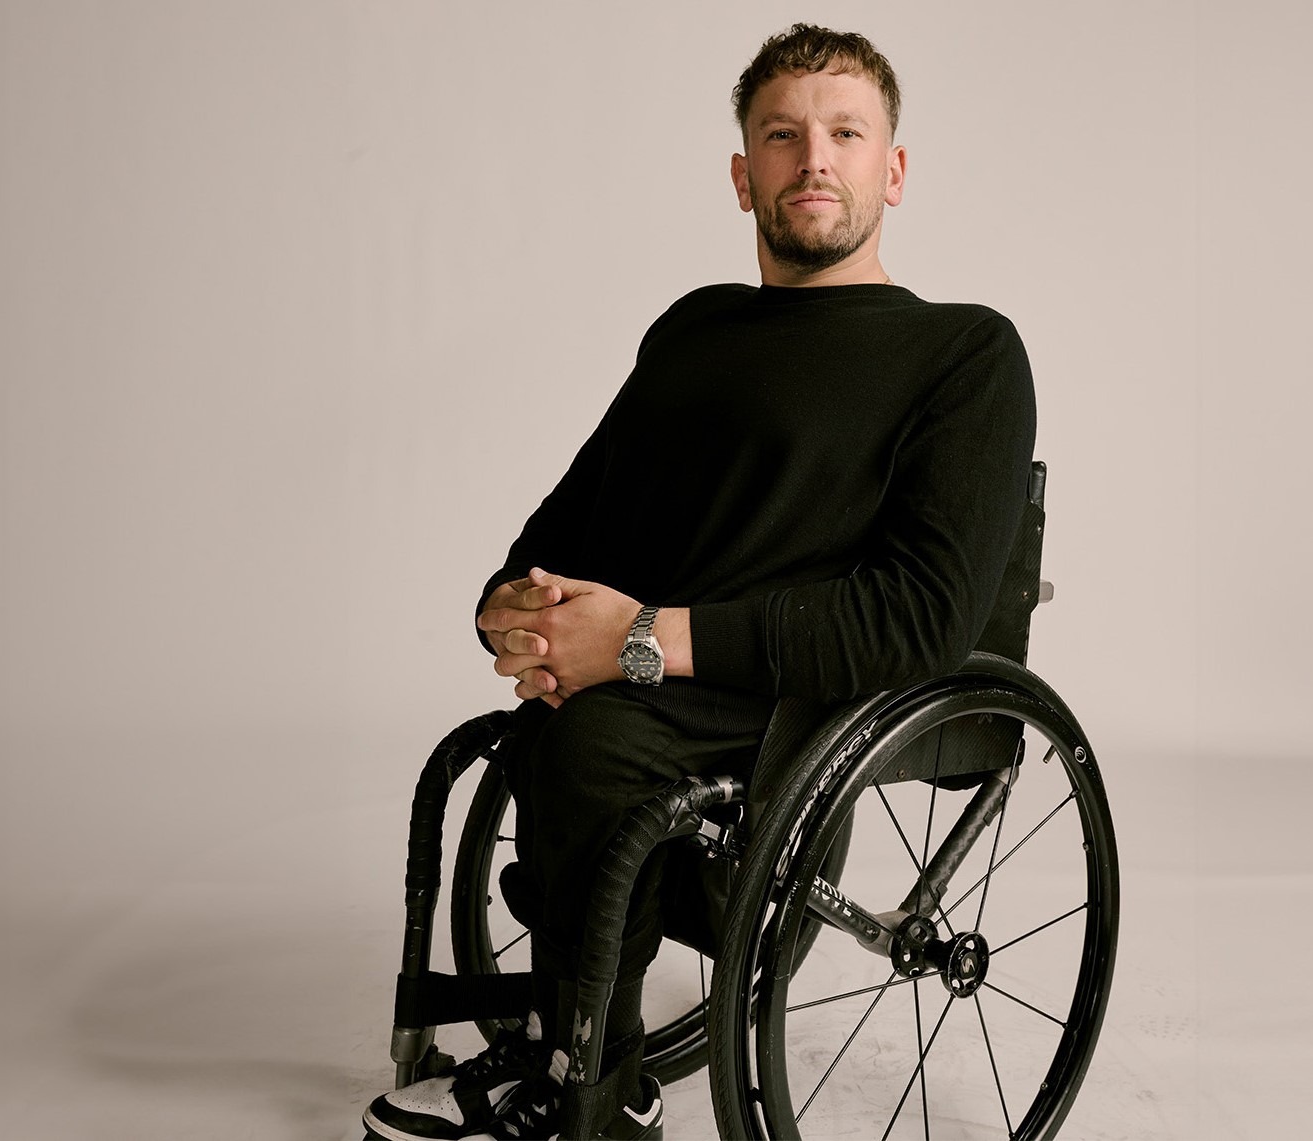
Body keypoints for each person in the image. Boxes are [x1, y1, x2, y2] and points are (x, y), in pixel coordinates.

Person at [362, 22, 1035, 1141]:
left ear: (893, 169)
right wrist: (510, 609)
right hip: (654, 695)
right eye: (781, 135)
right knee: (520, 742)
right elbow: (569, 523)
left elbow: (920, 612)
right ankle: (553, 1033)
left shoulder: (964, 353)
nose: (812, 158)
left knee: (588, 742)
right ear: (743, 174)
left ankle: (598, 1091)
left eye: (844, 133)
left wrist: (635, 642)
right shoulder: (693, 330)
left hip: (794, 709)